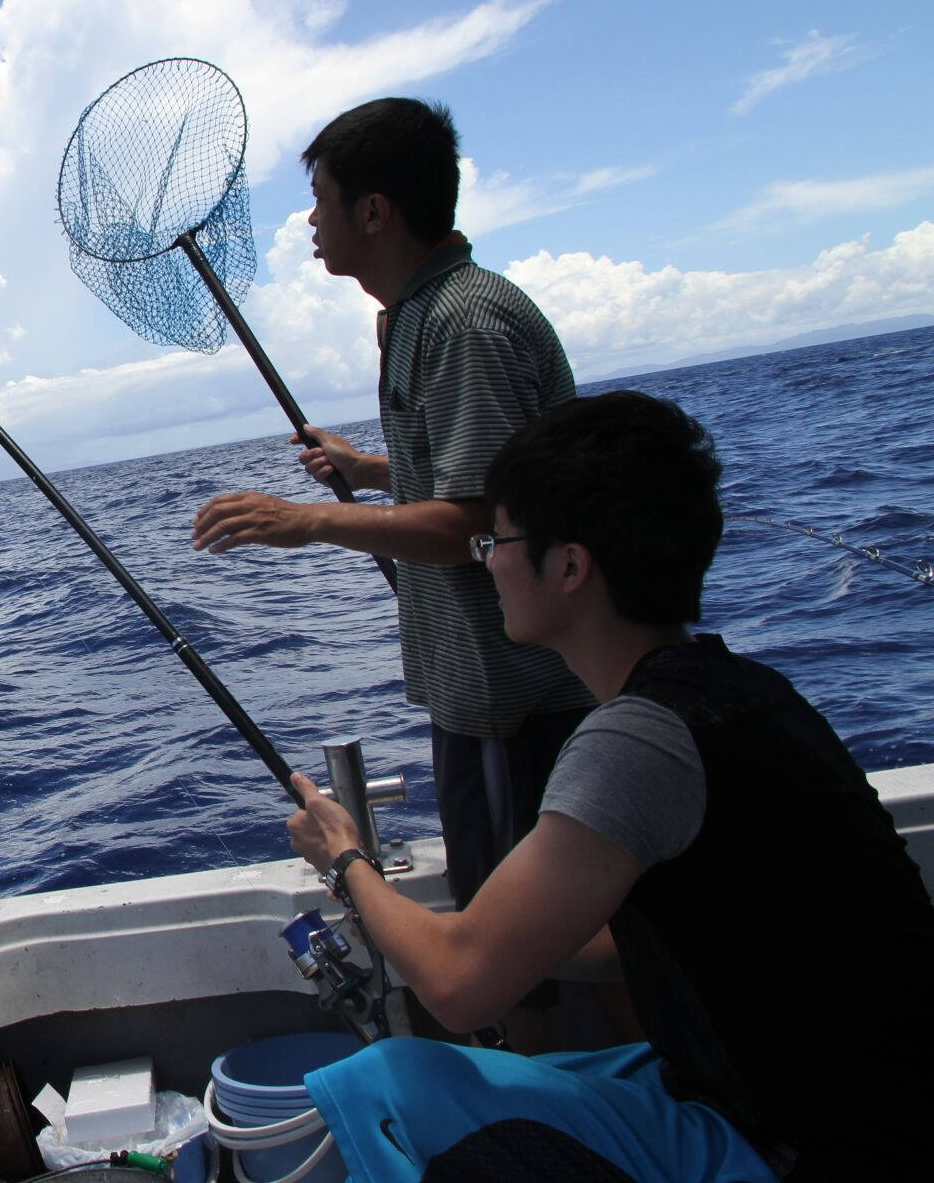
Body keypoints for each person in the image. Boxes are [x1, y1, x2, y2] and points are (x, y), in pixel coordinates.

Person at [285, 390, 934, 1180]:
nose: (487, 559)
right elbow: (673, 934)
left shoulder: (638, 738)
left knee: (385, 1085)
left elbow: (457, 988)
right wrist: (512, 941)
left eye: (498, 539)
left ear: (569, 565)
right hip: (866, 1103)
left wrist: (344, 855)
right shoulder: (749, 691)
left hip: (811, 1147)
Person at [192, 98, 592, 1041]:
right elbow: (475, 472)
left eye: (323, 198)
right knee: (534, 957)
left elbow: (479, 524)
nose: (311, 219)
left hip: (520, 703)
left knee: (533, 969)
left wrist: (312, 520)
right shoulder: (419, 315)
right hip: (483, 699)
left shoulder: (462, 322)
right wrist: (370, 470)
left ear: (375, 212)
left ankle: (572, 1104)